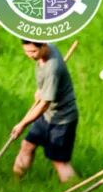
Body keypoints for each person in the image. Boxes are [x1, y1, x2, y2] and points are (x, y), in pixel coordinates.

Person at [11, 39, 78, 183]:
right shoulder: (46, 52)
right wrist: (41, 89)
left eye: (33, 51)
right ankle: (15, 183)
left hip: (62, 119)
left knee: (59, 161)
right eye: (27, 51)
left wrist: (22, 124)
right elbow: (46, 93)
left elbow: (43, 105)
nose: (30, 55)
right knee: (27, 146)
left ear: (44, 46)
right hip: (46, 116)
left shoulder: (53, 68)